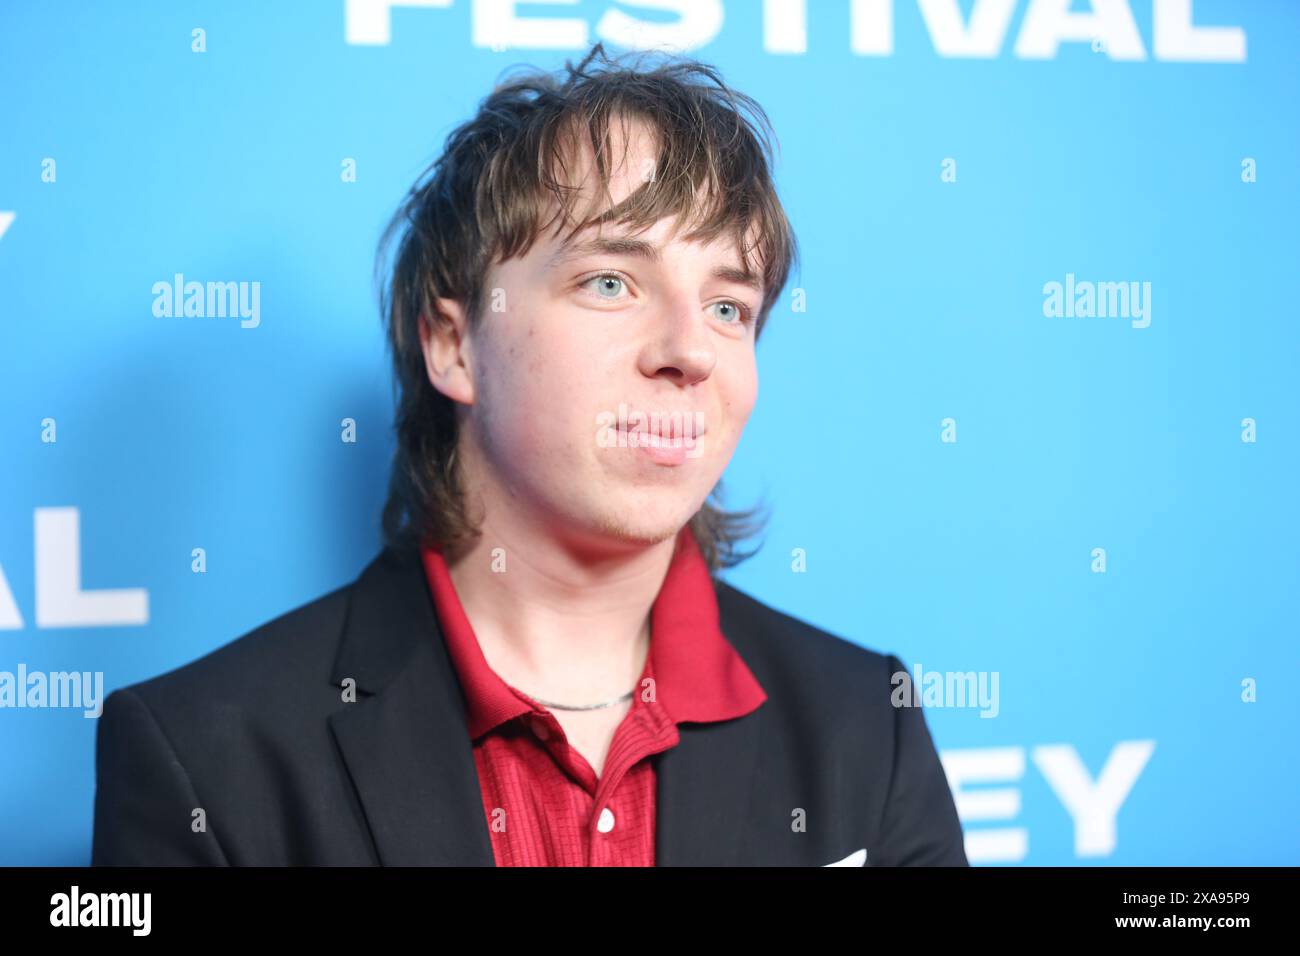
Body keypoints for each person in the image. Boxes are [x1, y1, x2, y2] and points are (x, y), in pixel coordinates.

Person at [91, 42, 967, 867]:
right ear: (455, 345)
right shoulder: (207, 756)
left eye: (729, 306)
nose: (690, 350)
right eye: (611, 282)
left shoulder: (865, 724)